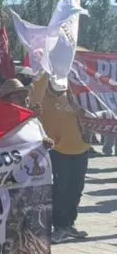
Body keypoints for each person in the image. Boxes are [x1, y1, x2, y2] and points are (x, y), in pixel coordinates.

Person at [0, 79, 48, 254]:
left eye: (25, 95)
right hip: (9, 180)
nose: (24, 99)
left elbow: (43, 139)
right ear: (7, 99)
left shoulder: (33, 120)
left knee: (34, 222)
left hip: (35, 180)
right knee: (10, 223)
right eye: (18, 96)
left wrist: (46, 143)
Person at [30, 75, 91, 243]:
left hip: (81, 147)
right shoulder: (41, 90)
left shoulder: (73, 91)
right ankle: (58, 226)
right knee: (60, 189)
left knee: (76, 188)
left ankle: (69, 223)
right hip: (56, 150)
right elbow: (32, 107)